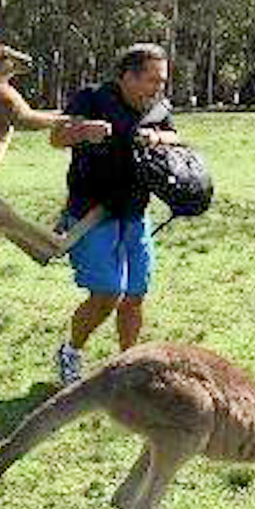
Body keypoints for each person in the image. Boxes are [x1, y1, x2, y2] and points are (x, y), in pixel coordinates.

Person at [50, 42, 181, 384]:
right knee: (108, 293)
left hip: (135, 213)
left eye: (162, 81)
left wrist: (156, 137)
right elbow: (56, 137)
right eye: (153, 80)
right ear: (128, 77)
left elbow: (174, 136)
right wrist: (83, 131)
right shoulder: (92, 98)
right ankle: (71, 352)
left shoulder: (156, 108)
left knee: (135, 295)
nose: (159, 88)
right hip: (91, 213)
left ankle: (128, 368)